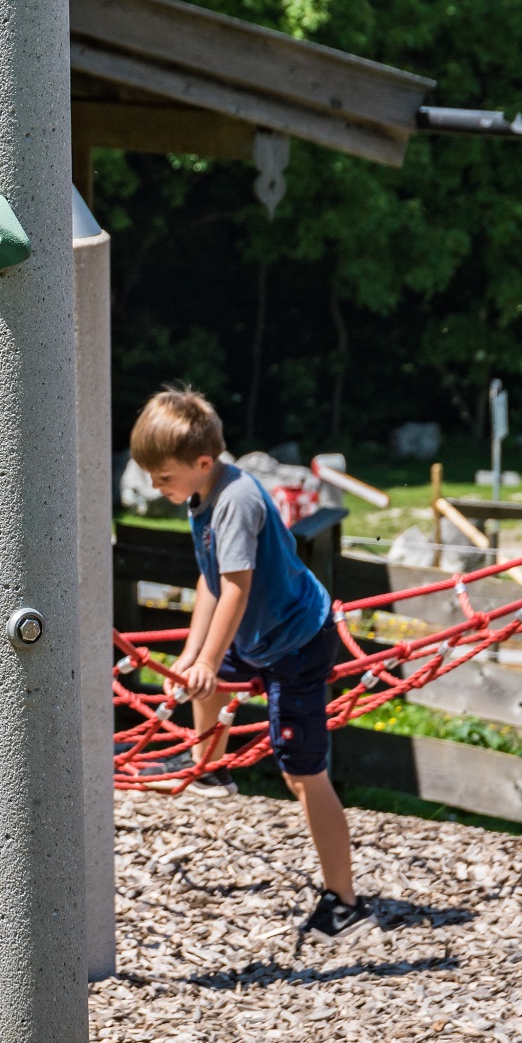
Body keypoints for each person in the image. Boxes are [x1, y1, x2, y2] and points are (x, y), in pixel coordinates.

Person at [128, 387, 368, 943]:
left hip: (297, 642)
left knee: (301, 773)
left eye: (163, 477)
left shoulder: (236, 501)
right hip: (258, 635)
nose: (156, 487)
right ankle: (211, 768)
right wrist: (193, 657)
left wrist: (211, 657)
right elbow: (210, 580)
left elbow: (236, 587)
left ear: (202, 463)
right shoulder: (202, 494)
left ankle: (344, 899)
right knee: (200, 687)